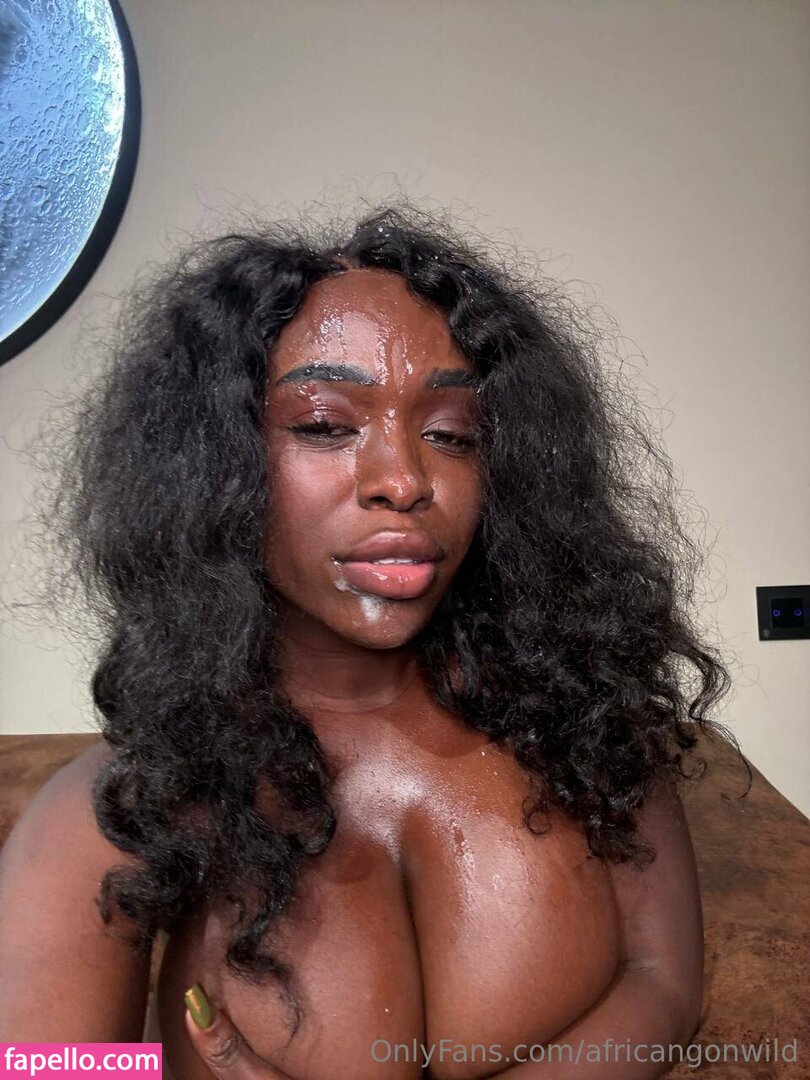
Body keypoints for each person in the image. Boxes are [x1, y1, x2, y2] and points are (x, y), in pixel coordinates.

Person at [0, 202, 739, 1079]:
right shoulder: (122, 810)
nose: (403, 479)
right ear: (216, 465)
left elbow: (661, 982)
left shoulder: (582, 721)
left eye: (452, 435)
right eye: (323, 425)